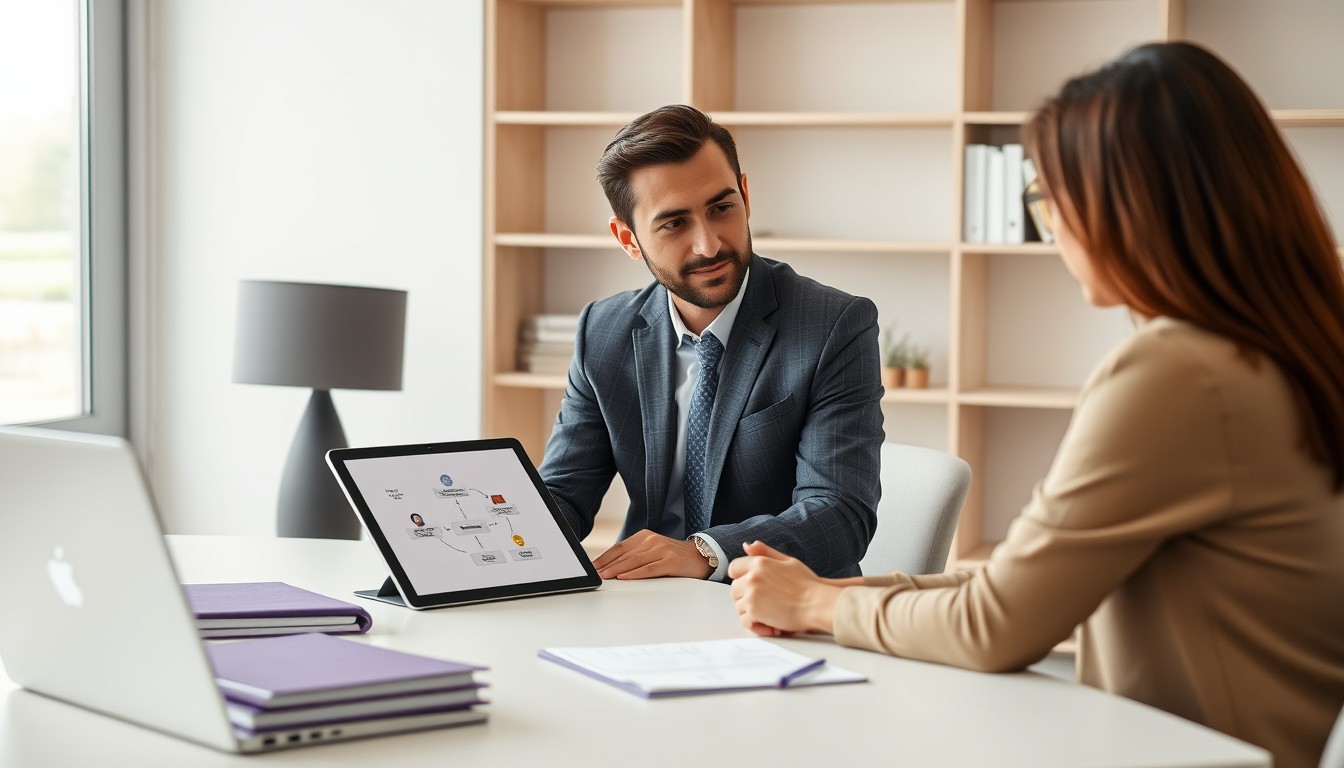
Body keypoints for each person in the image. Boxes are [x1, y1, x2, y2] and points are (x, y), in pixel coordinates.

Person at [727, 42, 1344, 768]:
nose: (1054, 233)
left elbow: (999, 623)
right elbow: (1029, 582)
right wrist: (839, 589)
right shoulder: (1285, 345)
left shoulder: (1177, 371)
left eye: (1053, 201)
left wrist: (813, 606)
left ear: (1132, 206)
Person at [538, 104, 884, 582]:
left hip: (784, 603)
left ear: (744, 194)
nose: (709, 245)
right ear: (628, 238)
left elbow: (841, 514)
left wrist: (701, 553)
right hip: (646, 604)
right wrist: (476, 543)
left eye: (722, 209)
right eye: (674, 224)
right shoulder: (603, 330)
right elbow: (564, 493)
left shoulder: (834, 325)